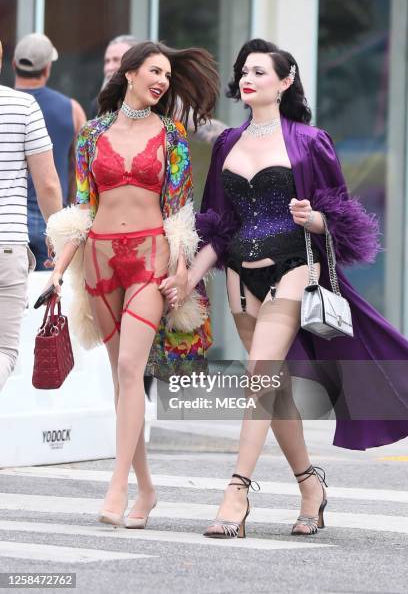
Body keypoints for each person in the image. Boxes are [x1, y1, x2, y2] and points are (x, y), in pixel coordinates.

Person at [162, 38, 408, 538]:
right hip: (238, 273)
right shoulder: (228, 141)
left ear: (285, 81)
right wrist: (188, 276)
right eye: (243, 72)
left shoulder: (310, 140)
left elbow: (344, 219)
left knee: (258, 375)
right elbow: (219, 224)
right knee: (273, 389)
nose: (247, 79)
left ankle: (236, 491)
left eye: (259, 72)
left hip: (294, 266)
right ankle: (310, 484)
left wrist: (314, 218)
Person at [44, 41, 218, 527]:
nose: (161, 81)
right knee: (121, 382)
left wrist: (181, 272)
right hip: (98, 259)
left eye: (166, 74)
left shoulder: (172, 135)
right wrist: (58, 272)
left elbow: (178, 210)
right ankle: (146, 489)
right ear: (130, 73)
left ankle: (116, 487)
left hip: (149, 259)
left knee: (129, 366)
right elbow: (82, 208)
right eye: (154, 71)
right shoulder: (91, 134)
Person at [0, 39, 62, 390]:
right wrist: (57, 235)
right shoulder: (23, 106)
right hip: (7, 244)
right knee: (5, 350)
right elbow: (49, 184)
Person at [13, 33, 87, 270]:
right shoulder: (72, 110)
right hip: (52, 221)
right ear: (47, 69)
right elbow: (81, 171)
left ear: (14, 65)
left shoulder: (5, 106)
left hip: (8, 225)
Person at [91, 34, 226, 145]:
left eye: (116, 60)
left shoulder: (165, 103)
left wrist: (233, 138)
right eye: (107, 61)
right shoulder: (97, 107)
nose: (109, 67)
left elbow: (202, 126)